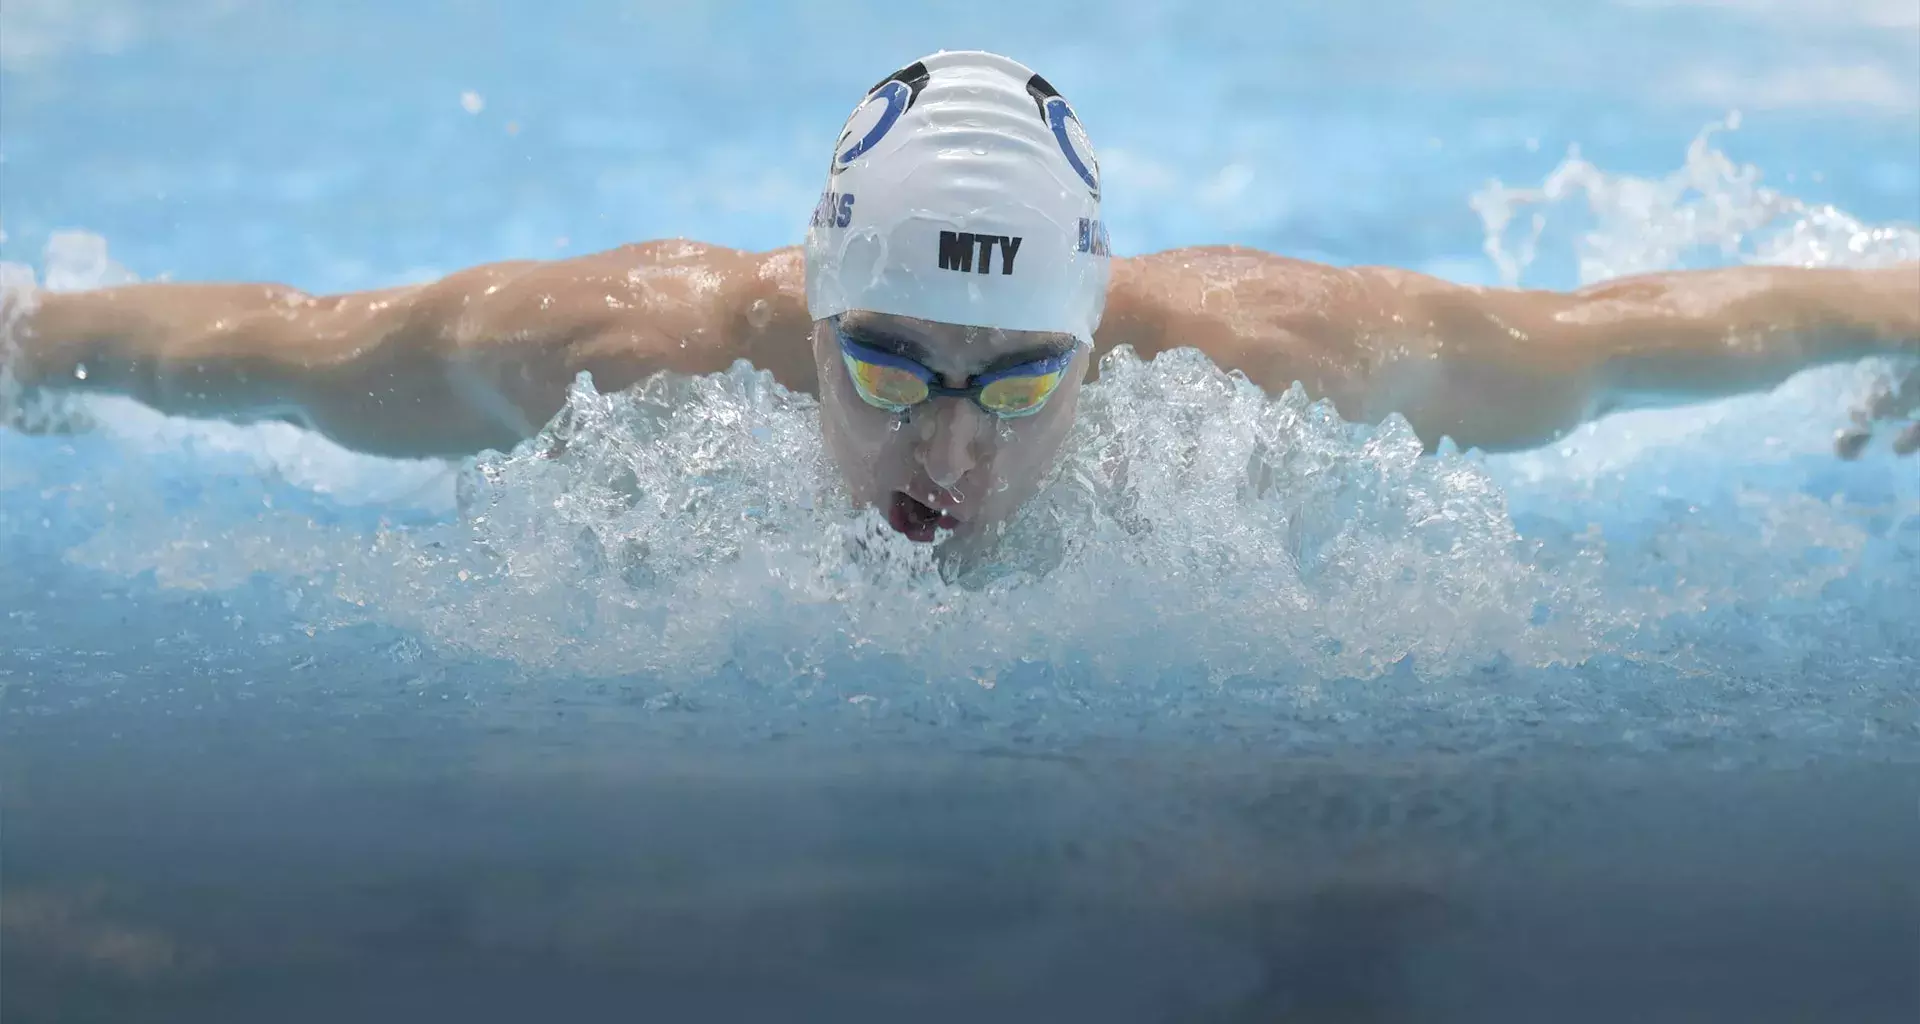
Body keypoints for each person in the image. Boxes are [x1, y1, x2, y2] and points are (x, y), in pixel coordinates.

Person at [3, 50, 1915, 542]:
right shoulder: (604, 356)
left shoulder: (1263, 359)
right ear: (805, 314)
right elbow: (260, 349)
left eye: (1016, 383)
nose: (941, 441)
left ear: (1098, 343)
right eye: (890, 359)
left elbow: (1631, 339)